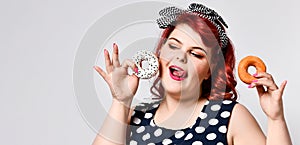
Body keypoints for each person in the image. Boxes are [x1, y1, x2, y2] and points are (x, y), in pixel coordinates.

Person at [92, 3, 292, 145]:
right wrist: (121, 101)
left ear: (209, 72)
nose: (180, 57)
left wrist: (276, 119)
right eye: (173, 46)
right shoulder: (134, 116)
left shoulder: (230, 117)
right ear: (159, 54)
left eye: (196, 54)